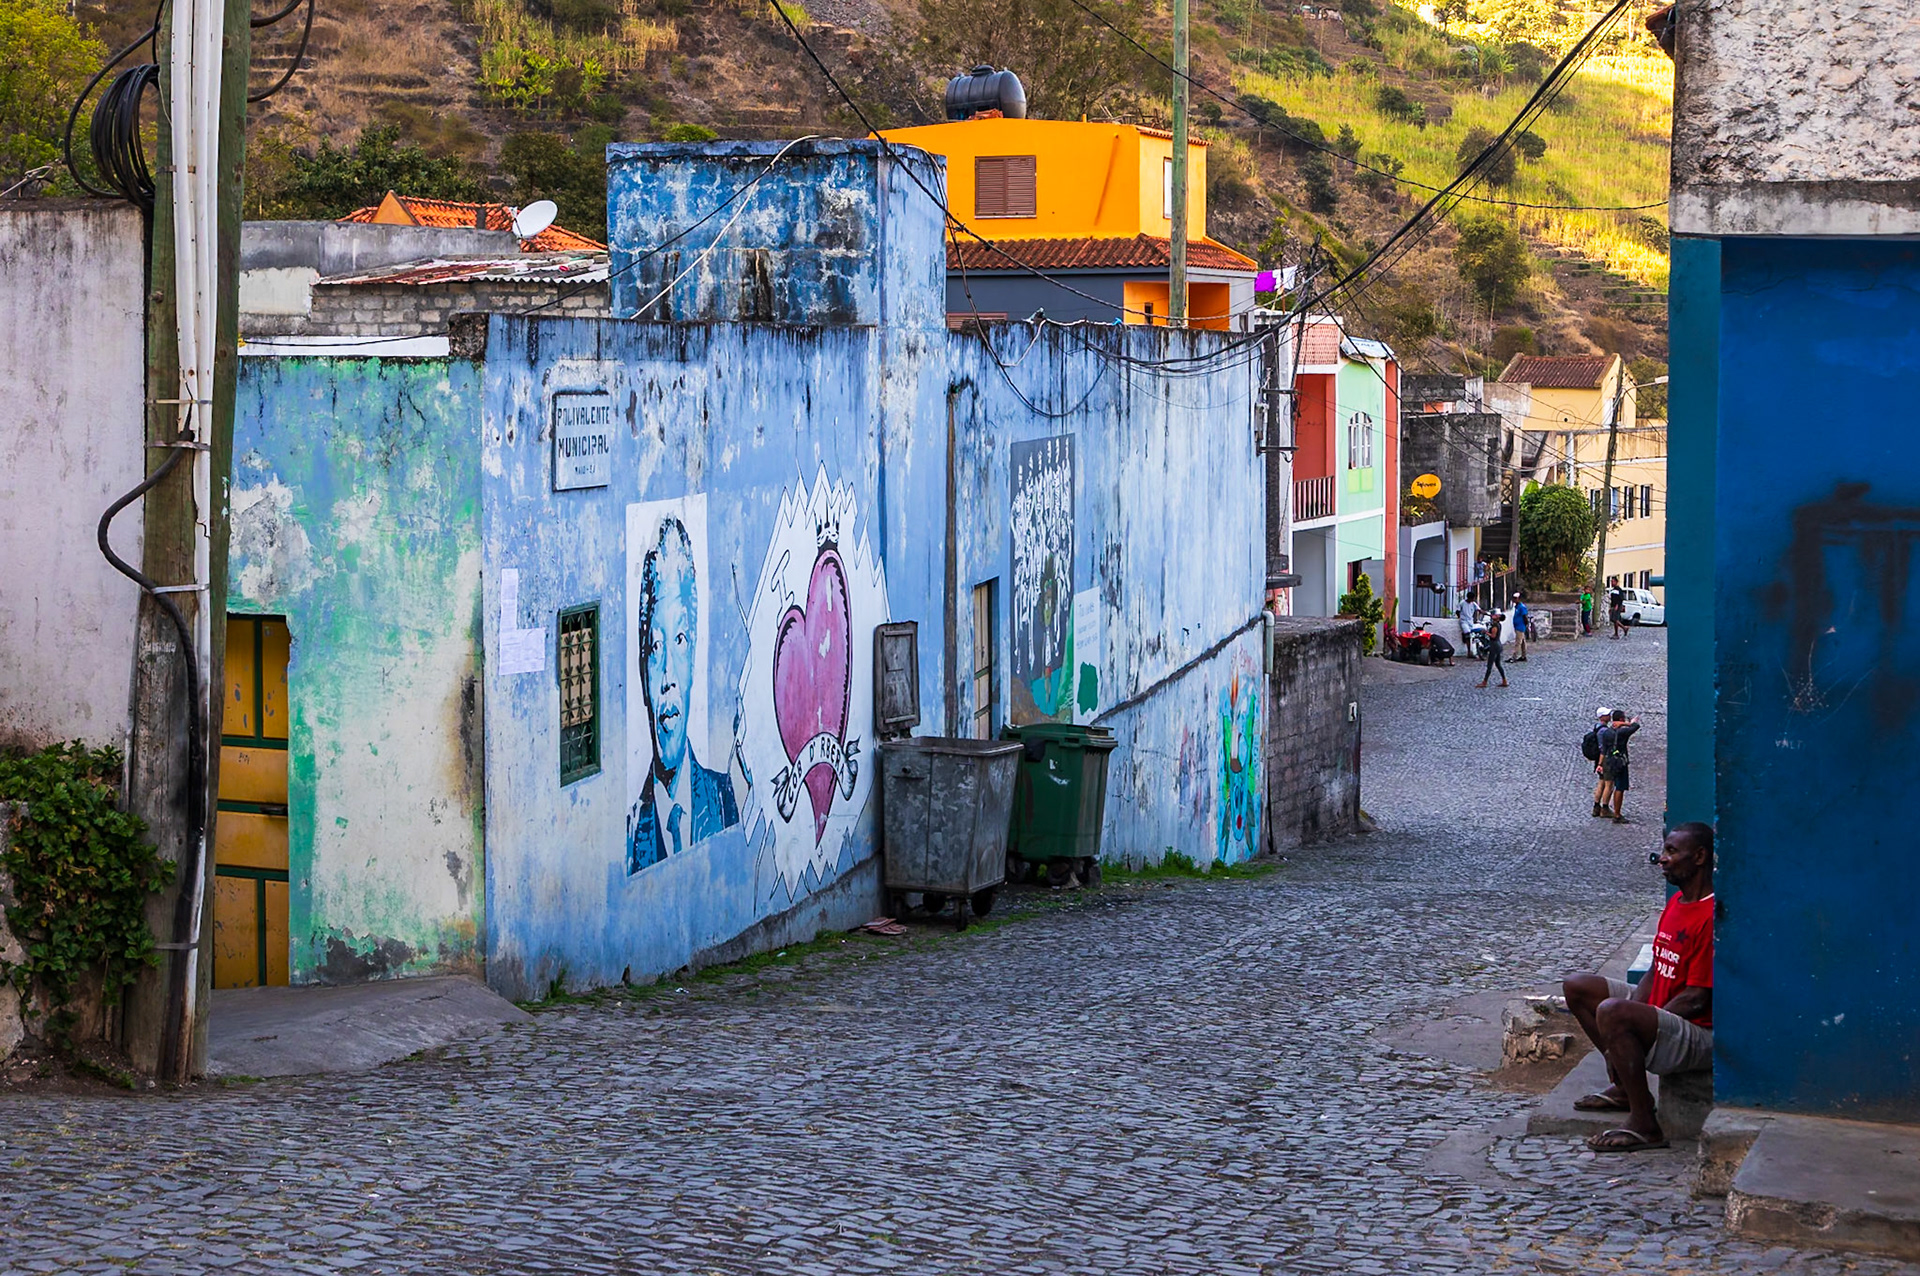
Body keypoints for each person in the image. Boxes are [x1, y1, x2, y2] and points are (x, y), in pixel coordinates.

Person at [1561, 823, 1716, 1152]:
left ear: (1700, 857)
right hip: (1662, 1010)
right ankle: (1625, 1088)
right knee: (1577, 987)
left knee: (1614, 1013)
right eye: (1664, 851)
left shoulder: (1710, 914)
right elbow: (1656, 969)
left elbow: (1697, 999)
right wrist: (1629, 1019)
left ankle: (1645, 1124)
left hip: (1696, 1031)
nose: (1663, 859)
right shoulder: (1676, 903)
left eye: (1672, 851)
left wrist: (1642, 1019)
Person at [627, 516, 740, 875]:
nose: (668, 678)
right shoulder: (632, 833)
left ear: (694, 658)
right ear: (643, 670)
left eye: (679, 641)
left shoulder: (723, 798)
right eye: (656, 647)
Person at [1598, 708, 1640, 822]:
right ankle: (1617, 814)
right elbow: (1635, 726)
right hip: (1620, 762)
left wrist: (1600, 764)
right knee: (1620, 787)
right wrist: (1629, 722)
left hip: (1608, 760)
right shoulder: (1622, 732)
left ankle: (1602, 806)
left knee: (1607, 785)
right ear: (1621, 720)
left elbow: (1604, 749)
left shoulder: (1607, 732)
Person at [1586, 706, 1614, 816]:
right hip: (1604, 759)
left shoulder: (1597, 727)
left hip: (1599, 758)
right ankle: (1605, 808)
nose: (1609, 716)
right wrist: (1600, 764)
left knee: (1601, 782)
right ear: (1602, 717)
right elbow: (1603, 749)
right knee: (1609, 784)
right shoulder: (1604, 731)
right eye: (1607, 714)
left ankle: (1596, 806)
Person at [1476, 609, 1508, 688]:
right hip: (1498, 645)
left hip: (1494, 646)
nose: (1494, 615)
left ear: (1498, 618)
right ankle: (1504, 680)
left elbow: (1493, 636)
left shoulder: (1495, 626)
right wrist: (1484, 613)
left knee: (1490, 665)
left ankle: (1484, 682)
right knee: (1498, 664)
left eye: (1496, 615)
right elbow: (1490, 615)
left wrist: (1485, 632)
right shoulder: (1498, 624)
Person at [1510, 593, 1530, 662]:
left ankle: (1514, 657)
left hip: (1520, 627)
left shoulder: (1521, 607)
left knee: (1518, 642)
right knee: (1523, 642)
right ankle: (1523, 656)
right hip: (1517, 626)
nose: (1514, 600)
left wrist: (1526, 625)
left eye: (1515, 598)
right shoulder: (1517, 606)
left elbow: (1525, 617)